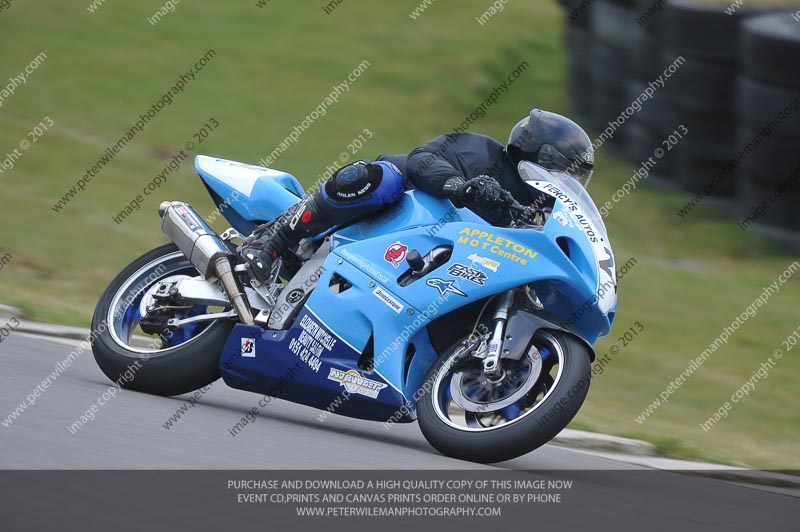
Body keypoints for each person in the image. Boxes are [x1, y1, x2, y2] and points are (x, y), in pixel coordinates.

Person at [238, 109, 595, 281]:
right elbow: (421, 161)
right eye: (563, 172)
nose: (565, 183)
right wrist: (463, 186)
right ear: (538, 157)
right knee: (380, 178)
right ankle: (273, 237)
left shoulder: (528, 218)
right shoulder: (482, 153)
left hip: (417, 262)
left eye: (574, 178)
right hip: (389, 214)